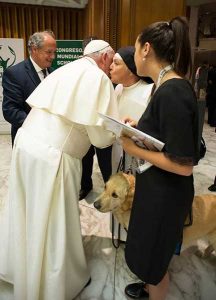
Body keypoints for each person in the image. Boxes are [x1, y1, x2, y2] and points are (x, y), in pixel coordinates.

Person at [0, 40, 118, 300]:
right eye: (112, 60)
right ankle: (49, 283)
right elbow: (100, 139)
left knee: (27, 208)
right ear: (104, 57)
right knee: (52, 217)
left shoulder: (67, 68)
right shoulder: (97, 78)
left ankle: (20, 267)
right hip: (53, 156)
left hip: (26, 145)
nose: (112, 66)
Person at [119, 17, 199, 300]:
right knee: (149, 251)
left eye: (136, 45)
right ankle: (150, 286)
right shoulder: (165, 85)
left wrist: (135, 149)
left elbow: (183, 165)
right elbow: (168, 136)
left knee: (154, 257)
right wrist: (140, 130)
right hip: (157, 187)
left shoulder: (173, 90)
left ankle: (155, 291)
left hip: (166, 193)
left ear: (146, 49)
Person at [2, 30, 56, 145]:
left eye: (54, 52)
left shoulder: (53, 73)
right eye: (49, 52)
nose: (53, 57)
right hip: (27, 140)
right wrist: (39, 126)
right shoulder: (14, 73)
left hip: (51, 140)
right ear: (34, 49)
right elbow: (10, 111)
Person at [79, 36, 113, 200]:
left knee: (106, 163)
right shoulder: (84, 74)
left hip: (103, 127)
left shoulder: (108, 74)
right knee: (85, 159)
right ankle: (85, 186)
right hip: (85, 125)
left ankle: (110, 191)